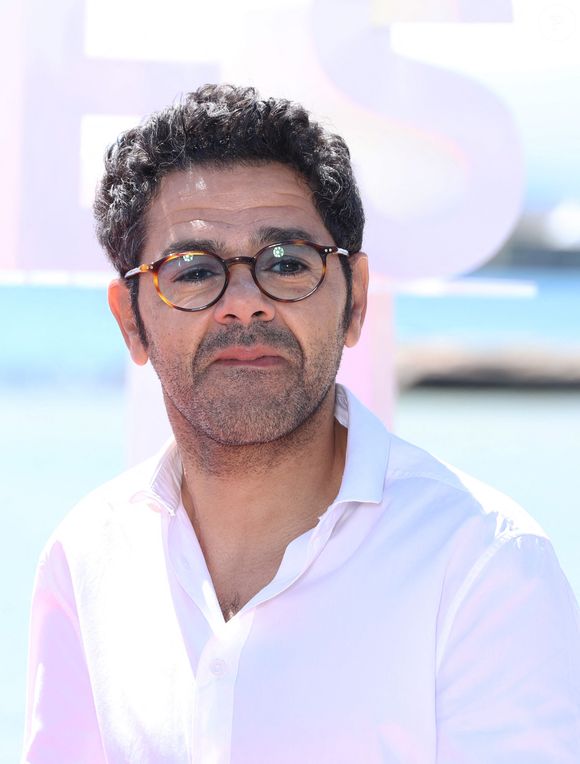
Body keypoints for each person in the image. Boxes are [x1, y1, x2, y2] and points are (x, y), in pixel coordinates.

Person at [23, 84, 580, 763]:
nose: (245, 304)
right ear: (129, 318)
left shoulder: (483, 566)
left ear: (356, 302)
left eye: (287, 263)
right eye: (194, 270)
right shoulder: (86, 559)